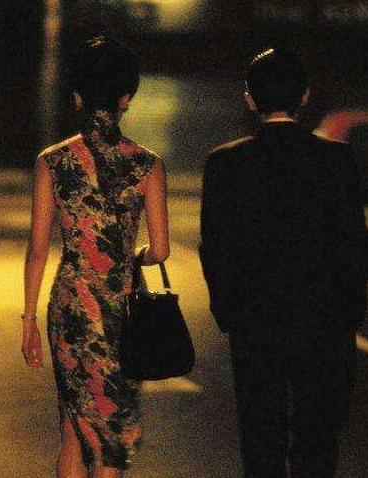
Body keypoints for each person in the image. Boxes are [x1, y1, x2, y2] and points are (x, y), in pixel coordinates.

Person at [199, 48, 367, 478]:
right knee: (318, 438)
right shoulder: (338, 160)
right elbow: (353, 244)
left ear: (250, 98)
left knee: (262, 436)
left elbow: (215, 246)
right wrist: (350, 312)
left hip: (255, 319)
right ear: (305, 96)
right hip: (325, 319)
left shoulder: (225, 163)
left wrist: (228, 311)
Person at [21, 36, 170, 478]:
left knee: (73, 428)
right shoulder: (147, 165)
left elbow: (37, 249)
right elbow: (160, 250)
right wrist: (131, 253)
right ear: (126, 99)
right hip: (121, 311)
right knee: (111, 435)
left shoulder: (53, 161)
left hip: (70, 308)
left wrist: (28, 320)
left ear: (77, 96)